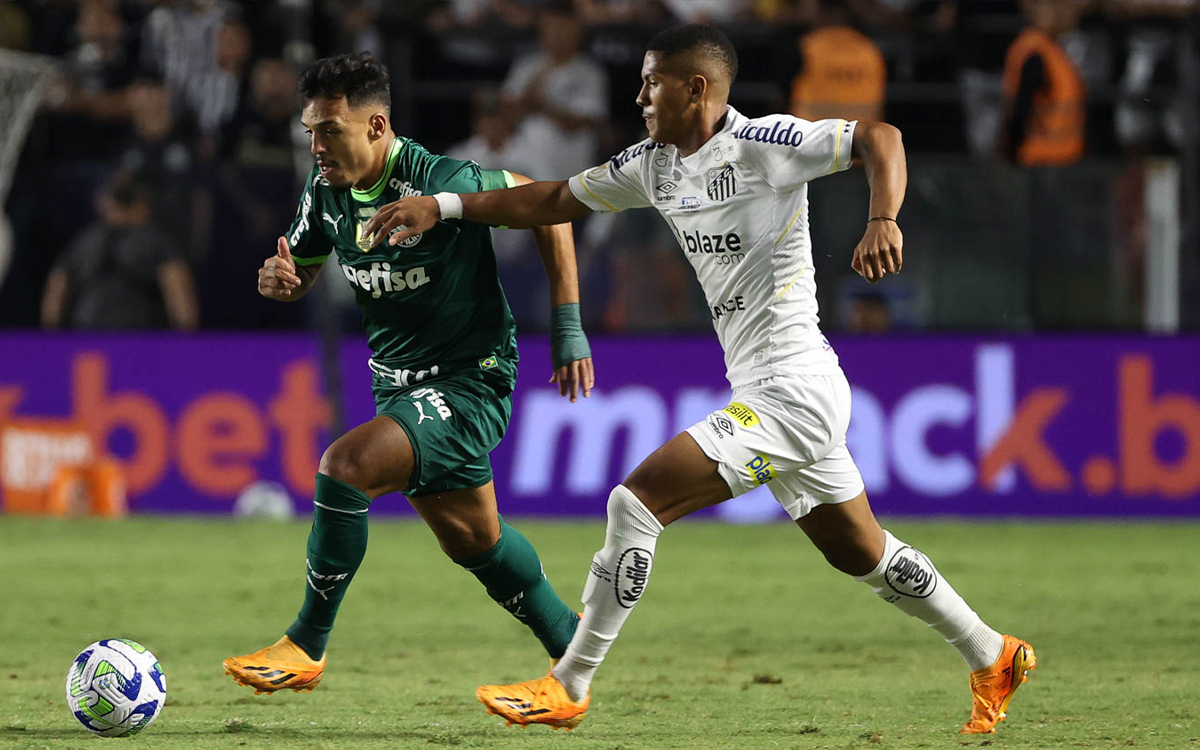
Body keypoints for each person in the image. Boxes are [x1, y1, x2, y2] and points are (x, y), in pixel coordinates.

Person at [367, 24, 1037, 736]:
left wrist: (882, 218)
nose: (640, 95)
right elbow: (552, 199)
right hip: (767, 389)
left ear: (697, 88)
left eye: (653, 83)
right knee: (860, 552)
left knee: (636, 502)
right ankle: (994, 653)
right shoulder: (654, 165)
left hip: (795, 388)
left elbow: (884, 136)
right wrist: (441, 207)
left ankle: (570, 682)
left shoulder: (766, 146)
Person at [221, 52, 596, 696]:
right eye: (309, 130)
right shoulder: (326, 192)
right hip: (398, 383)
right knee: (474, 541)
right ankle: (574, 648)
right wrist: (283, 281)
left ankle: (306, 644)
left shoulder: (445, 177)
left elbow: (551, 209)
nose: (316, 145)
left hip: (469, 380)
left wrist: (567, 325)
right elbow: (302, 265)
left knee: (345, 466)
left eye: (329, 129)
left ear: (376, 126)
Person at [41, 169, 198, 331]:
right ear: (144, 202)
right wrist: (185, 339)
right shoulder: (156, 241)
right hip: (136, 340)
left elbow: (56, 289)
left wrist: (53, 336)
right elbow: (179, 292)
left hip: (88, 339)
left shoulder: (84, 240)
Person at [1002, 0, 1085, 166]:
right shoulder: (1035, 52)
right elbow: (1020, 109)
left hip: (1061, 157)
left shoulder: (1053, 48)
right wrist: (1012, 153)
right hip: (1040, 158)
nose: (1064, 13)